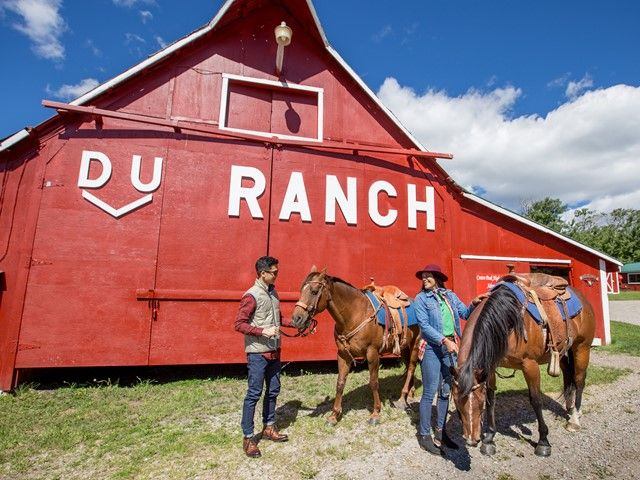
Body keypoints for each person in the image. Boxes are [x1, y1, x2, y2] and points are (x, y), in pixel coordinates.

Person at [413, 263, 483, 455]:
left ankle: (441, 432)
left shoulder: (449, 296)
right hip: (433, 349)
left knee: (445, 392)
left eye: (428, 276)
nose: (424, 279)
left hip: (450, 348)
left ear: (437, 277)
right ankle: (425, 435)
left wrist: (474, 303)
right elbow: (424, 326)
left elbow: (464, 314)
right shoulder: (420, 299)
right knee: (429, 393)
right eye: (423, 276)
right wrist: (444, 340)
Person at [235, 255, 297, 458]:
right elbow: (239, 324)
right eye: (274, 272)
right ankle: (248, 438)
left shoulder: (273, 293)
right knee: (254, 394)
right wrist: (263, 331)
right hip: (257, 354)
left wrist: (295, 323)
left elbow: (278, 320)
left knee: (274, 391)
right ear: (263, 273)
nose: (277, 274)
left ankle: (269, 427)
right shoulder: (251, 295)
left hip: (274, 352)